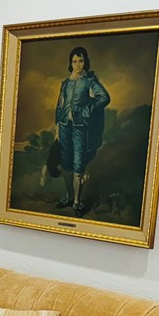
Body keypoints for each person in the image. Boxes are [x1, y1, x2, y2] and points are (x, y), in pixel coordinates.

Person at [54, 46, 110, 215]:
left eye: (80, 61)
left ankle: (77, 202)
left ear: (85, 62)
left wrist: (87, 109)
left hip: (80, 127)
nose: (77, 64)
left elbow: (104, 98)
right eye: (74, 61)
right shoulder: (66, 83)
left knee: (78, 163)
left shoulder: (90, 81)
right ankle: (69, 196)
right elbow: (60, 105)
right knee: (66, 161)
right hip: (64, 126)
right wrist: (57, 126)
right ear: (70, 63)